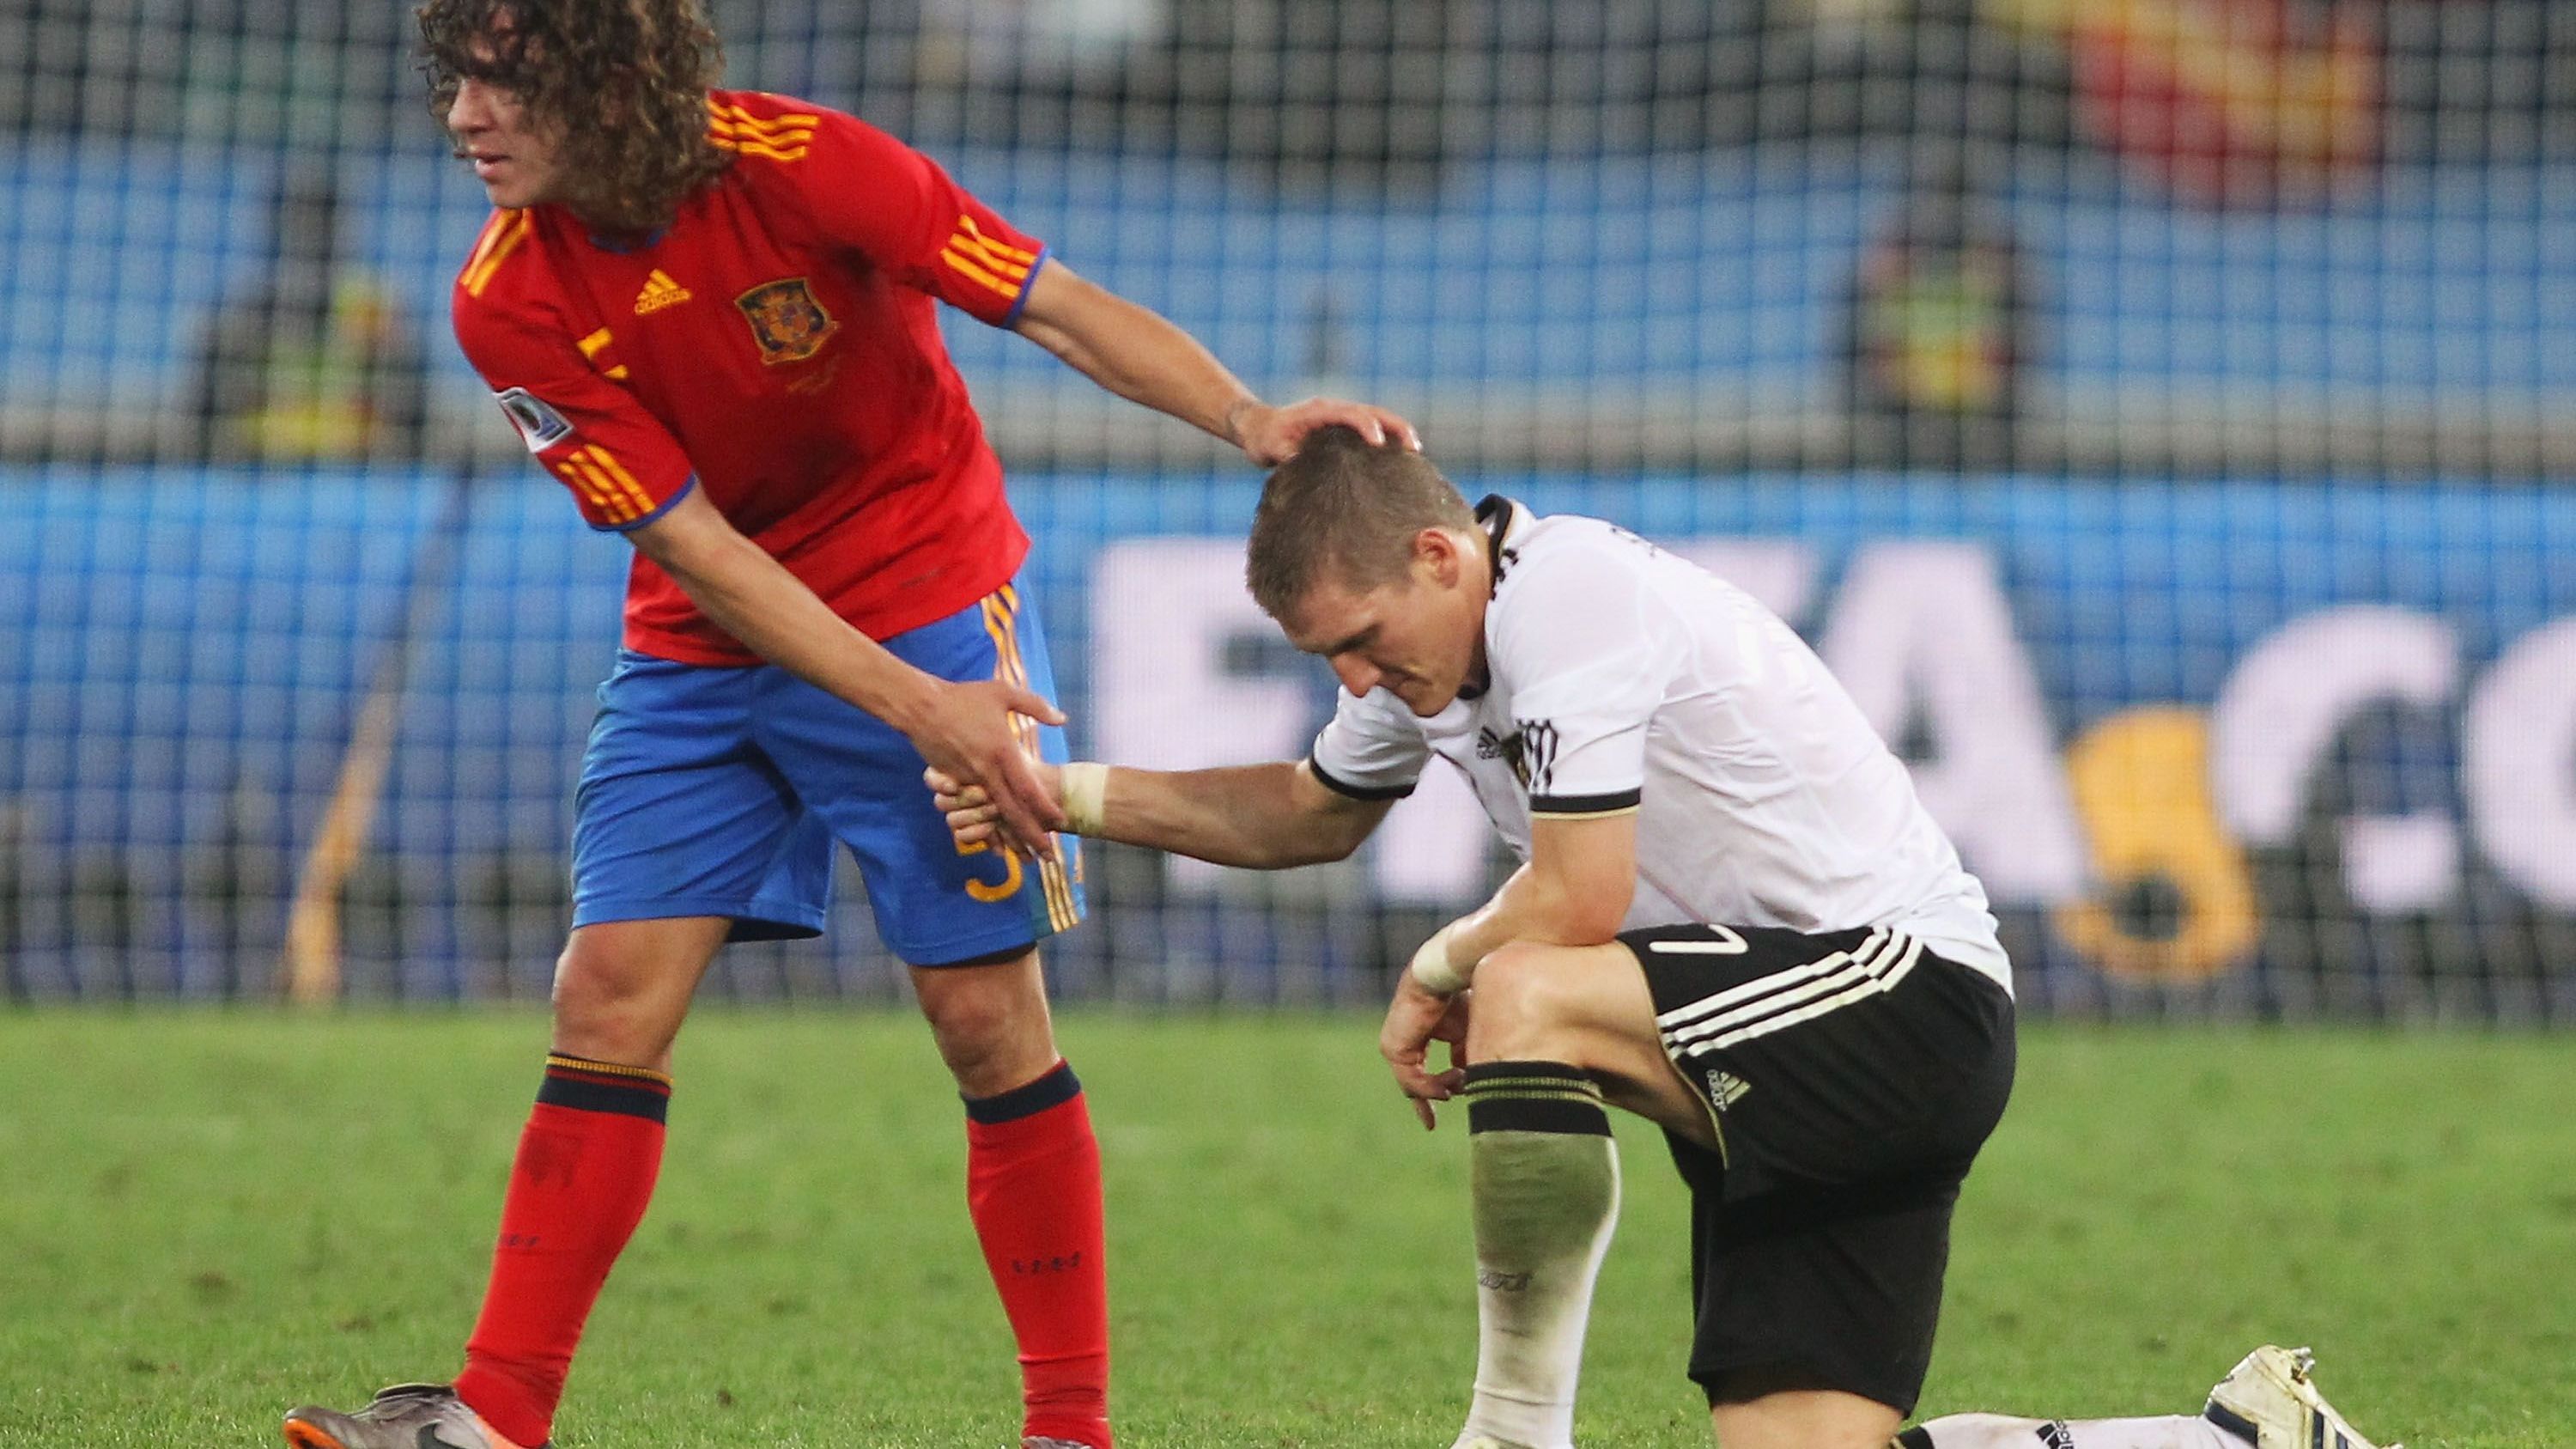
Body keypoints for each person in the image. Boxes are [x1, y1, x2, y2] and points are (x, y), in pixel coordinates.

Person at [278, 3, 1416, 1447]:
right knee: (605, 993)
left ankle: (1069, 1432)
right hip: (710, 651)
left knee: (984, 1020)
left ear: (603, 79)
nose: (462, 117)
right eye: (459, 83)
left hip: (937, 596)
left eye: (502, 81)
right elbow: (699, 554)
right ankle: (493, 1420)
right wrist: (917, 712)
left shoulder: (812, 165)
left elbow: (1051, 302)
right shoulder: (503, 299)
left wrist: (1247, 418)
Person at [929, 429, 2393, 1449]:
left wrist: (1433, 972)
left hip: (1899, 1000)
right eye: (1332, 660)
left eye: (1363, 640)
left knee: (1527, 982)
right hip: (1774, 1034)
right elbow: (1305, 814)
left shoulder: (1576, 595)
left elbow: (1576, 902)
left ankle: (1513, 1431)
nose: (1360, 678)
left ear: (1444, 555)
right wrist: (1053, 790)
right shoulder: (1433, 657)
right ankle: (2240, 1436)